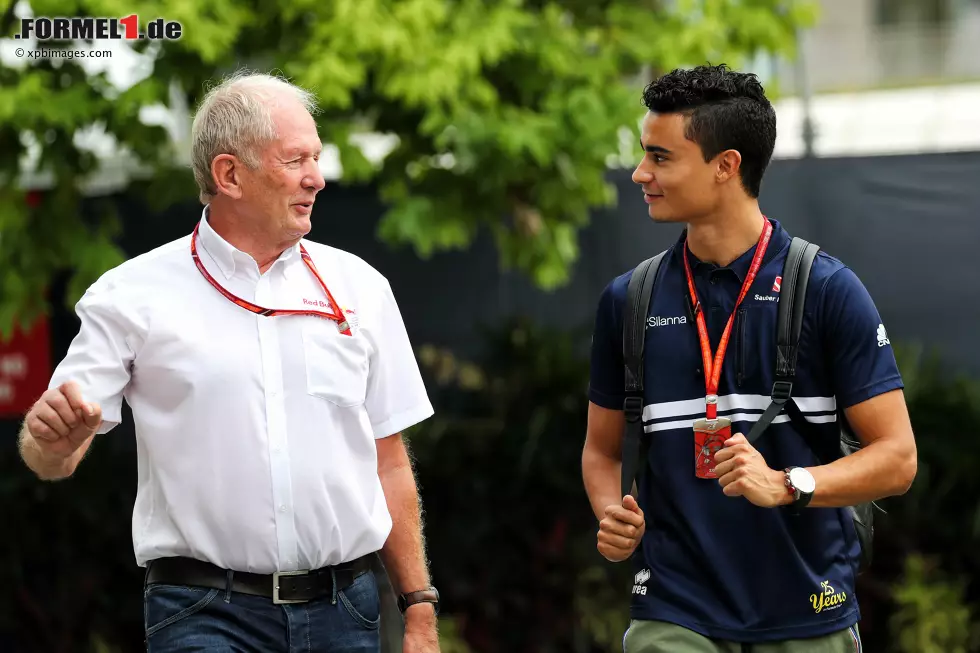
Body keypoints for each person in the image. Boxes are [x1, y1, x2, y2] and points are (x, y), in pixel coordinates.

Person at [18, 71, 441, 653]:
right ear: (229, 174)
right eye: (295, 160)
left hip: (348, 613)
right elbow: (53, 454)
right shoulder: (130, 294)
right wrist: (53, 441)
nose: (317, 178)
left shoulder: (361, 287)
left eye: (316, 158)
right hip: (201, 611)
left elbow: (388, 462)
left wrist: (418, 608)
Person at [582, 64, 918, 652]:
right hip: (673, 607)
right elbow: (601, 449)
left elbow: (898, 460)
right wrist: (612, 513)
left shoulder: (828, 290)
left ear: (725, 166)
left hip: (809, 609)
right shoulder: (628, 300)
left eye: (661, 157)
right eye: (644, 154)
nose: (640, 173)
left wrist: (788, 483)